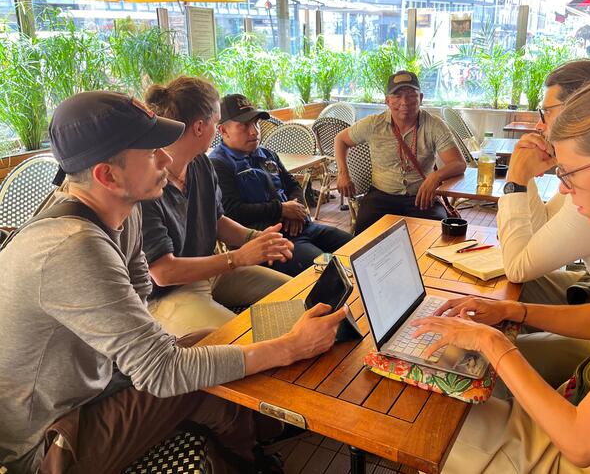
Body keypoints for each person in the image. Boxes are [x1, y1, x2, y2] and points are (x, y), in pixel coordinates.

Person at [0, 91, 348, 474]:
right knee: (194, 373)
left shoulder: (119, 209)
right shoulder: (72, 247)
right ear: (107, 175)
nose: (165, 157)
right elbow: (161, 370)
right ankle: (254, 448)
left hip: (97, 386)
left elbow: (139, 295)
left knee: (205, 345)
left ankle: (252, 447)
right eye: (151, 152)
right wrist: (289, 348)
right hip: (48, 443)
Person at [413, 77, 590, 474]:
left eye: (569, 174)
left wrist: (493, 342)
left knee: (438, 423)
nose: (564, 190)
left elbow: (583, 444)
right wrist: (512, 314)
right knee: (466, 380)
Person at [141, 77, 293, 337]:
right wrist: (237, 258)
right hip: (166, 294)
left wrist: (255, 238)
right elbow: (163, 273)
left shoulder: (200, 163)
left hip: (212, 271)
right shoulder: (145, 181)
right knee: (242, 342)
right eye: (217, 121)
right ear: (200, 127)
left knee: (296, 295)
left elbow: (216, 220)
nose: (218, 129)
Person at [498, 59, 590, 306]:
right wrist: (526, 176)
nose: (539, 124)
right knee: (495, 295)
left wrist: (515, 182)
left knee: (501, 300)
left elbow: (517, 266)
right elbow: (540, 229)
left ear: (581, 113)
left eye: (546, 113)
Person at [209, 94, 353, 276]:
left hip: (303, 227)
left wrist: (295, 209)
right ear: (223, 130)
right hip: (269, 241)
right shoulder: (218, 164)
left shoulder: (267, 154)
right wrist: (281, 209)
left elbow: (293, 184)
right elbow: (232, 212)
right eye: (244, 126)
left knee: (356, 246)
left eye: (256, 123)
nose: (254, 131)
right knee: (328, 270)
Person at [335, 70, 467, 234]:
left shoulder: (434, 125)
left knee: (439, 233)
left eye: (411, 95)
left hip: (420, 197)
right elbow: (340, 140)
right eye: (397, 95)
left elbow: (459, 163)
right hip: (381, 196)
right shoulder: (373, 124)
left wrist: (435, 176)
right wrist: (343, 173)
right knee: (363, 238)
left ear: (421, 98)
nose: (404, 102)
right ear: (387, 100)